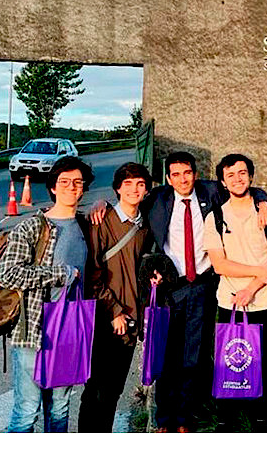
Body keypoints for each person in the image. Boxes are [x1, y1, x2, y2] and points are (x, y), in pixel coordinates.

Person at [89, 151, 267, 432]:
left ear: (195, 174)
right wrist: (101, 202)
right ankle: (164, 418)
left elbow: (245, 186)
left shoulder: (211, 192)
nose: (182, 179)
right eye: (176, 174)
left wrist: (262, 201)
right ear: (167, 178)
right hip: (168, 289)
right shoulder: (157, 199)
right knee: (166, 352)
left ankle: (185, 419)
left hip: (201, 285)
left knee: (193, 355)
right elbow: (127, 202)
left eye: (187, 173)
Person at [0, 155, 94, 433]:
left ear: (84, 187)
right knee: (27, 410)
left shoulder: (86, 226)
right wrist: (59, 274)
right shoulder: (32, 227)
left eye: (78, 182)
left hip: (71, 329)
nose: (71, 187)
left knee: (60, 408)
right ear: (53, 187)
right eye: (64, 182)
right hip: (33, 329)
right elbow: (8, 274)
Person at [203, 153, 267, 432]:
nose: (237, 179)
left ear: (250, 176)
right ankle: (226, 418)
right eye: (230, 175)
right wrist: (255, 272)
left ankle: (260, 418)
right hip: (230, 301)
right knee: (230, 360)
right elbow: (219, 263)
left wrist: (251, 287)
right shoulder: (215, 217)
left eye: (242, 173)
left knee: (263, 360)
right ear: (223, 183)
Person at [78, 162, 152, 432]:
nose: (134, 189)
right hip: (105, 317)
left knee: (113, 391)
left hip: (131, 320)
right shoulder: (102, 220)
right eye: (128, 184)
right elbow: (93, 272)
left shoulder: (144, 224)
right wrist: (114, 311)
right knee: (96, 388)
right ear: (117, 189)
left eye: (140, 184)